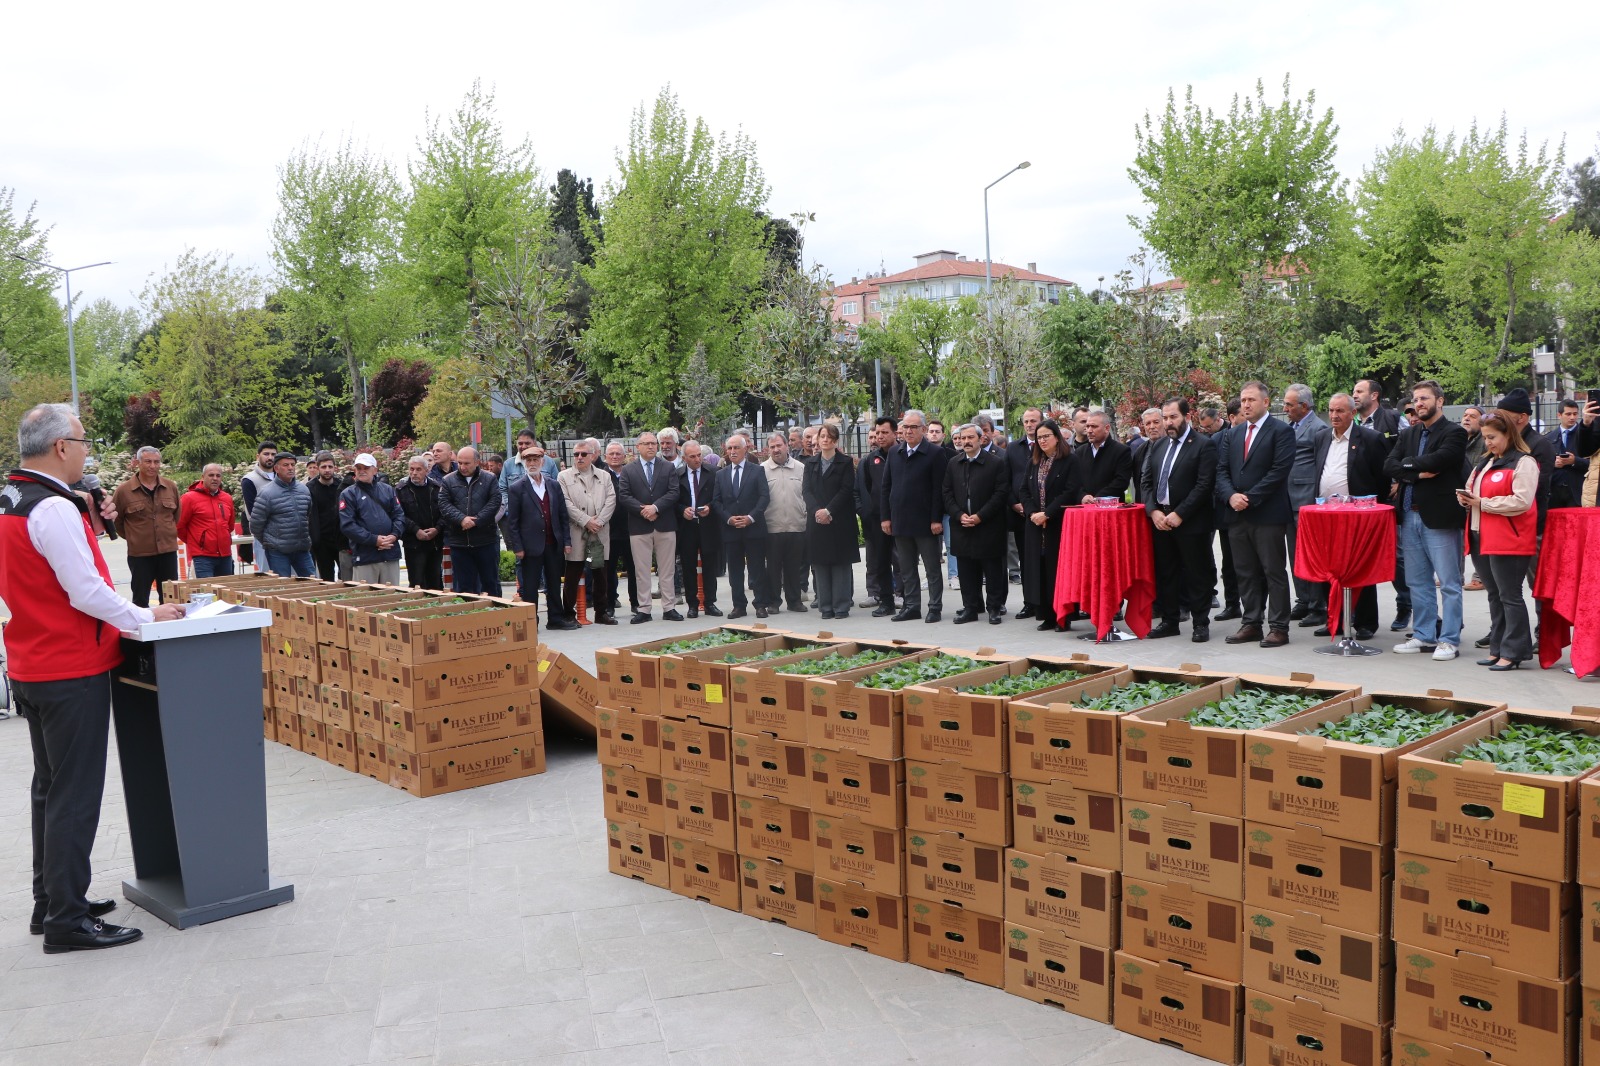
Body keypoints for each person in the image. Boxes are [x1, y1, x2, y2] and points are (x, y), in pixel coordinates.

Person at [0, 404, 186, 953]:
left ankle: (53, 902)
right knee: (74, 797)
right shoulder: (52, 508)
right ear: (61, 447)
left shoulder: (11, 499)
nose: (86, 451)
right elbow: (84, 590)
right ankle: (67, 920)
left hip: (32, 661)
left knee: (49, 790)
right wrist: (144, 616)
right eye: (82, 441)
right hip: (71, 665)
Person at [1383, 380, 1468, 660]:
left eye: (1424, 398)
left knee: (1449, 583)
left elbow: (1439, 460)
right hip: (1409, 516)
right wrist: (1417, 473)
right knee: (1417, 582)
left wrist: (1408, 467)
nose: (1419, 403)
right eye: (1416, 399)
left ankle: (1449, 640)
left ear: (1440, 401)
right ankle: (1424, 635)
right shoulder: (1409, 434)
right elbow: (1389, 465)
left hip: (1439, 517)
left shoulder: (1455, 432)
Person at [1214, 381, 1296, 648]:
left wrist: (1248, 498)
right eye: (1243, 400)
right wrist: (1230, 496)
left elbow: (1279, 471)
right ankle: (1251, 623)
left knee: (1273, 571)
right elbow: (1221, 470)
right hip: (1237, 515)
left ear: (1266, 402)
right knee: (1245, 571)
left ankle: (1279, 627)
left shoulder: (1281, 431)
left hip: (1268, 514)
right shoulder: (1234, 434)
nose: (1246, 405)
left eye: (1251, 400)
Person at [1458, 412, 1537, 672]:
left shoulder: (1524, 462)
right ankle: (1499, 648)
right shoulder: (1486, 462)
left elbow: (1522, 501)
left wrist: (1483, 503)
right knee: (1495, 595)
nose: (1488, 442)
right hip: (1481, 535)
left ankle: (1514, 652)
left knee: (1509, 596)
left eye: (1492, 437)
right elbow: (1473, 490)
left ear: (1508, 435)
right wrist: (1466, 499)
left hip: (1508, 538)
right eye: (1485, 437)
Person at [1308, 393, 1391, 639]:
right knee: (1329, 568)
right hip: (1326, 515)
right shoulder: (1321, 437)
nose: (1334, 416)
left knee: (1360, 567)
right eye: (1331, 410)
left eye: (1340, 411)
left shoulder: (1370, 438)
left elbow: (1382, 479)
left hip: (1358, 517)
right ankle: (1334, 620)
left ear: (1353, 413)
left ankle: (1365, 622)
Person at [1142, 398, 1218, 643]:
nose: (1168, 422)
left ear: (1187, 417)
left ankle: (1200, 623)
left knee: (1196, 574)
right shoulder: (1159, 445)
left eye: (1173, 417)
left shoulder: (1203, 445)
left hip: (1191, 522)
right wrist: (1153, 511)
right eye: (1165, 418)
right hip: (1161, 521)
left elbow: (1204, 485)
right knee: (1166, 573)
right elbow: (1147, 483)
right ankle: (1170, 621)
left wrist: (1180, 513)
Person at [880, 409, 950, 623]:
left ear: (923, 429)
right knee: (907, 568)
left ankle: (934, 607)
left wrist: (936, 519)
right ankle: (911, 606)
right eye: (905, 427)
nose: (908, 431)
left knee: (932, 568)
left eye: (913, 427)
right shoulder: (895, 452)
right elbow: (886, 487)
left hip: (926, 522)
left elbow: (939, 489)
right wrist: (886, 517)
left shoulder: (935, 453)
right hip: (900, 520)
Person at [942, 423, 1010, 624]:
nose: (966, 441)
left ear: (981, 439)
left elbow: (1000, 493)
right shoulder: (954, 463)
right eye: (963, 438)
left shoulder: (995, 463)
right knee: (966, 570)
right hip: (962, 525)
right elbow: (946, 492)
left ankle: (994, 608)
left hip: (988, 525)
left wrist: (981, 516)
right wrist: (958, 515)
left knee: (992, 570)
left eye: (970, 437)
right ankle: (970, 608)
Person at [616, 430, 681, 623]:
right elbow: (624, 495)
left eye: (654, 443)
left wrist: (656, 508)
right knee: (641, 570)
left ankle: (669, 607)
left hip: (665, 524)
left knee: (667, 570)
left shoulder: (667, 467)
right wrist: (643, 510)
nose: (651, 446)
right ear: (638, 447)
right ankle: (644, 609)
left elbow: (674, 492)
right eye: (647, 443)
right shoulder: (628, 470)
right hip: (639, 526)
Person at [508, 444, 575, 629]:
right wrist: (517, 547)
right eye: (528, 460)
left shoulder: (553, 485)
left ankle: (555, 619)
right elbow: (513, 521)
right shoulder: (517, 488)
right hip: (530, 546)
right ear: (524, 463)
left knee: (554, 583)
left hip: (553, 543)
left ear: (542, 462)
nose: (532, 463)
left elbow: (563, 515)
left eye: (535, 460)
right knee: (530, 587)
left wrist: (566, 541)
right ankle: (531, 622)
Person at [1022, 419, 1079, 632]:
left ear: (1056, 437)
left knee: (1058, 571)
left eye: (1046, 436)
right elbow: (1023, 490)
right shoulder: (1034, 461)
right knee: (1040, 570)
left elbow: (1070, 491)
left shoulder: (1069, 460)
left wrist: (1047, 513)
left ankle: (1063, 617)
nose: (1042, 440)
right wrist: (1032, 513)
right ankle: (1046, 615)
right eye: (1039, 437)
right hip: (1036, 525)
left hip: (1058, 523)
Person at [1283, 383, 1330, 628]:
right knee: (1295, 554)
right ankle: (1303, 599)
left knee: (1311, 556)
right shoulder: (1290, 427)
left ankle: (1317, 606)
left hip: (1306, 500)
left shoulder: (1318, 428)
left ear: (1304, 406)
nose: (1285, 408)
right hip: (1288, 500)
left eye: (1289, 405)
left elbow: (1321, 466)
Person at [110, 446, 181, 607]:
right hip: (140, 555)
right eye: (148, 461)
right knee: (140, 600)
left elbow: (176, 516)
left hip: (167, 553)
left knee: (171, 599)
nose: (153, 466)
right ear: (138, 463)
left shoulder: (170, 487)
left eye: (156, 462)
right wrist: (134, 537)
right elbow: (117, 521)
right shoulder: (124, 491)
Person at [802, 424, 859, 620]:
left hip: (839, 520)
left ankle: (841, 606)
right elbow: (806, 490)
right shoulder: (810, 463)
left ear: (835, 441)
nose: (825, 440)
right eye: (822, 436)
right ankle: (825, 606)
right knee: (820, 564)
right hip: (817, 521)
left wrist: (828, 510)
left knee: (841, 564)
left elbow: (846, 489)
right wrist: (818, 511)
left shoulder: (845, 462)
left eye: (829, 437)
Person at [558, 437, 616, 625]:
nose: (579, 457)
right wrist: (586, 521)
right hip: (577, 531)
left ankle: (601, 613)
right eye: (576, 454)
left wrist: (598, 521)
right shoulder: (563, 476)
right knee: (573, 574)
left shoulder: (604, 476)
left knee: (600, 574)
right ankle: (569, 613)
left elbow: (611, 500)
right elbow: (565, 503)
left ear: (592, 456)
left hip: (599, 532)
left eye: (583, 454)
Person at [714, 433, 770, 618]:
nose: (732, 451)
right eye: (729, 448)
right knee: (735, 571)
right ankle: (739, 606)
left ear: (745, 449)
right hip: (731, 530)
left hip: (753, 528)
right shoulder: (721, 474)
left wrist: (751, 517)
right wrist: (729, 519)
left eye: (736, 448)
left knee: (757, 569)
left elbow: (764, 497)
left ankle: (760, 604)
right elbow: (717, 501)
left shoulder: (757, 471)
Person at [438, 445, 503, 596]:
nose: (462, 467)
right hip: (460, 542)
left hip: (485, 540)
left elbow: (495, 502)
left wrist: (476, 520)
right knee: (464, 588)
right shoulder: (448, 480)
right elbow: (443, 504)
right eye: (460, 463)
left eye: (466, 463)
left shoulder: (489, 479)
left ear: (477, 462)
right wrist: (461, 519)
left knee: (490, 584)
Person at [1201, 402, 1242, 620]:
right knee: (1229, 561)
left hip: (1252, 505)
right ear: (1232, 417)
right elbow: (1215, 473)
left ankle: (1256, 607)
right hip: (1225, 507)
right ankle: (1233, 604)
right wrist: (1228, 495)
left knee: (1254, 562)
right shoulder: (1217, 440)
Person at [338, 453, 407, 585]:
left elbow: (399, 515)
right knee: (366, 596)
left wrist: (394, 535)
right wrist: (374, 540)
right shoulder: (348, 494)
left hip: (390, 554)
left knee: (392, 595)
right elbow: (348, 525)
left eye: (366, 468)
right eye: (359, 468)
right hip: (365, 557)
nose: (362, 471)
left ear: (375, 470)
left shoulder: (388, 490)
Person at [761, 432, 807, 613]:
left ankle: (794, 601)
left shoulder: (800, 468)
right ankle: (774, 602)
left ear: (787, 446)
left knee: (794, 567)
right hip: (772, 527)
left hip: (796, 525)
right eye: (772, 447)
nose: (776, 449)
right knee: (773, 568)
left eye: (779, 445)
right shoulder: (762, 470)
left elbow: (807, 495)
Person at [675, 439, 721, 618]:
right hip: (687, 526)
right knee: (688, 566)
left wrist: (710, 507)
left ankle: (710, 603)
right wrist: (682, 510)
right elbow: (673, 499)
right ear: (684, 458)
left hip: (708, 525)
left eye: (699, 455)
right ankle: (692, 605)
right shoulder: (677, 475)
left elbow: (719, 497)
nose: (697, 459)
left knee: (710, 565)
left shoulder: (713, 472)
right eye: (692, 456)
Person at [251, 452, 316, 577]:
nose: (290, 468)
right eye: (286, 465)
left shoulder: (304, 490)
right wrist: (271, 542)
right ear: (276, 468)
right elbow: (256, 525)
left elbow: (307, 515)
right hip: (278, 552)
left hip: (302, 549)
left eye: (292, 465)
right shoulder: (266, 493)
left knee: (312, 581)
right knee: (283, 585)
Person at [857, 417, 896, 615]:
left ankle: (908, 600)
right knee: (881, 563)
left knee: (904, 563)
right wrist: (867, 512)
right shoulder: (870, 460)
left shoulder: (902, 455)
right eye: (877, 433)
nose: (880, 437)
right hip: (879, 520)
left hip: (902, 518)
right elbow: (865, 488)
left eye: (884, 433)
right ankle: (886, 602)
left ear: (895, 434)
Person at [1007, 407, 1043, 613]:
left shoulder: (1052, 447)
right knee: (1026, 560)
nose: (1029, 425)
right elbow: (1005, 479)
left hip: (1045, 515)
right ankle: (1029, 603)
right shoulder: (1013, 448)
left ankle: (1046, 602)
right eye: (1026, 421)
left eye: (1033, 421)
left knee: (1044, 560)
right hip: (1020, 514)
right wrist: (1014, 503)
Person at [177, 463, 236, 578]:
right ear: (203, 477)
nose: (215, 478)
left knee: (226, 589)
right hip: (203, 557)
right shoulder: (189, 498)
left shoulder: (227, 498)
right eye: (211, 475)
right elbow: (179, 526)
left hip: (225, 555)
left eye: (218, 475)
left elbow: (230, 525)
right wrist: (197, 542)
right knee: (206, 589)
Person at [603, 441, 641, 617]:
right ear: (605, 457)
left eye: (618, 453)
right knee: (609, 570)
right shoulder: (601, 475)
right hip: (609, 530)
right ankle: (609, 604)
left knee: (634, 569)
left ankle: (636, 603)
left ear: (624, 456)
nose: (615, 456)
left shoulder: (631, 473)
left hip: (631, 529)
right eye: (611, 453)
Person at [397, 456, 444, 590]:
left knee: (435, 582)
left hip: (434, 543)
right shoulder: (401, 489)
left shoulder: (436, 488)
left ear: (427, 470)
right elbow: (399, 514)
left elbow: (445, 512)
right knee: (417, 583)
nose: (414, 473)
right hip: (413, 544)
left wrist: (437, 529)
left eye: (418, 469)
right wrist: (415, 530)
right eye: (411, 469)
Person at [1071, 410, 1134, 503]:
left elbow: (1121, 481)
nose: (1089, 430)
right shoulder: (1080, 452)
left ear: (1107, 428)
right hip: (1085, 507)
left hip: (1111, 507)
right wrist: (1082, 496)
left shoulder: (1121, 451)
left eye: (1094, 426)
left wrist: (1098, 498)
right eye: (1087, 426)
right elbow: (1074, 481)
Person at [306, 451, 347, 581]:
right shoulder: (310, 488)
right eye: (323, 467)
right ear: (318, 468)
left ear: (335, 467)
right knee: (326, 579)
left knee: (346, 578)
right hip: (321, 542)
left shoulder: (342, 487)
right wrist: (314, 540)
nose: (327, 470)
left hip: (341, 540)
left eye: (330, 466)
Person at [239, 440, 277, 571]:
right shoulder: (249, 480)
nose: (270, 457)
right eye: (266, 454)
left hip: (286, 535)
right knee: (267, 574)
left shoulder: (282, 477)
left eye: (273, 454)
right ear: (258, 456)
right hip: (263, 536)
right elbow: (253, 513)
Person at [1545, 399, 1588, 509]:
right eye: (1568, 414)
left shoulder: (1586, 435)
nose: (1572, 417)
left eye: (1575, 414)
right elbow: (1541, 463)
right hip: (1554, 493)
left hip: (1578, 491)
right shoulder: (1549, 438)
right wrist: (1553, 463)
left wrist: (1574, 461)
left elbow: (1594, 464)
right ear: (1559, 415)